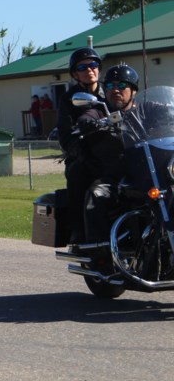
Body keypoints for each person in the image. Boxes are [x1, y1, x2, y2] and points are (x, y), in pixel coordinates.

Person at [82, 64, 139, 245]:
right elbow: (86, 117)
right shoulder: (100, 111)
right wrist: (89, 123)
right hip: (116, 178)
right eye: (110, 86)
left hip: (146, 176)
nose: (116, 90)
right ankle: (98, 251)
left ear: (134, 90)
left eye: (122, 86)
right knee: (96, 194)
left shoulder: (145, 110)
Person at [56, 47, 106, 244]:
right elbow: (66, 136)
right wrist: (84, 156)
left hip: (112, 151)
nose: (89, 70)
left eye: (93, 65)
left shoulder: (110, 91)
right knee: (77, 173)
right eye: (83, 67)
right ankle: (78, 230)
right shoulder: (69, 98)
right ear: (75, 73)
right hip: (85, 155)